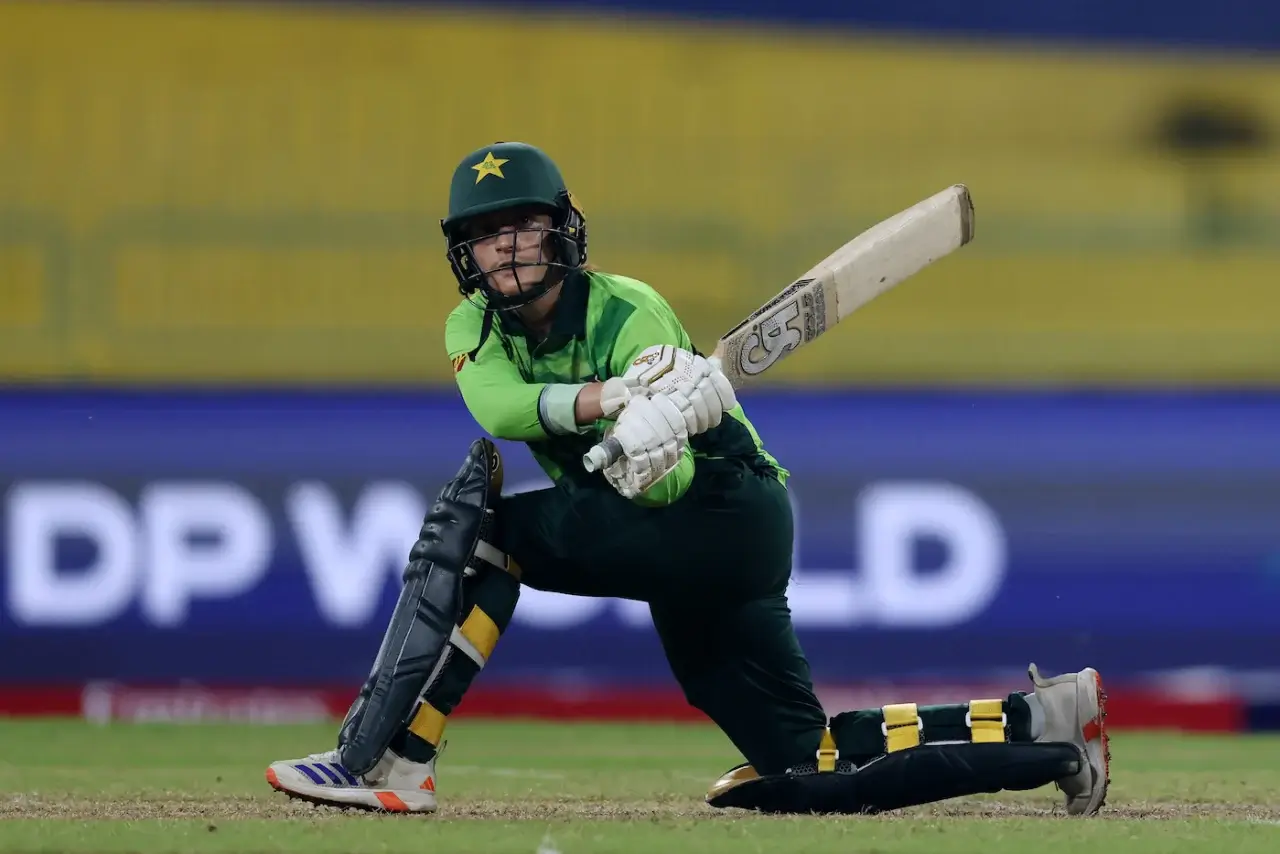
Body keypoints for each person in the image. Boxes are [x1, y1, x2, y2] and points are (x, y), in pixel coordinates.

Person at [264, 142, 1110, 816]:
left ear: (562, 231)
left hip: (722, 509)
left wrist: (653, 437)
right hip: (672, 543)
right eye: (489, 234)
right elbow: (500, 410)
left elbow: (668, 491)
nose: (508, 248)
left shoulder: (630, 311)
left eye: (524, 225)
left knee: (485, 535)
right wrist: (611, 401)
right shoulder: (473, 327)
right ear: (466, 253)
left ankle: (389, 758)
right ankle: (1047, 731)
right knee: (805, 766)